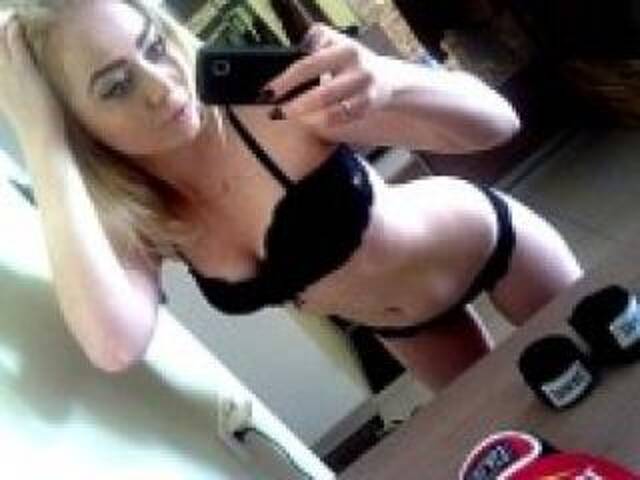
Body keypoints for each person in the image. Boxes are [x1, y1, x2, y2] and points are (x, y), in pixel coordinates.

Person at [0, 0, 582, 390]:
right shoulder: (144, 215)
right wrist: (42, 139)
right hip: (410, 331)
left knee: (614, 368)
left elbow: (497, 124)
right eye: (116, 86)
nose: (162, 86)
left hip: (489, 246)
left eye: (153, 47)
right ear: (78, 127)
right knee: (523, 442)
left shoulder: (264, 99)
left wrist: (389, 81)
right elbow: (113, 346)